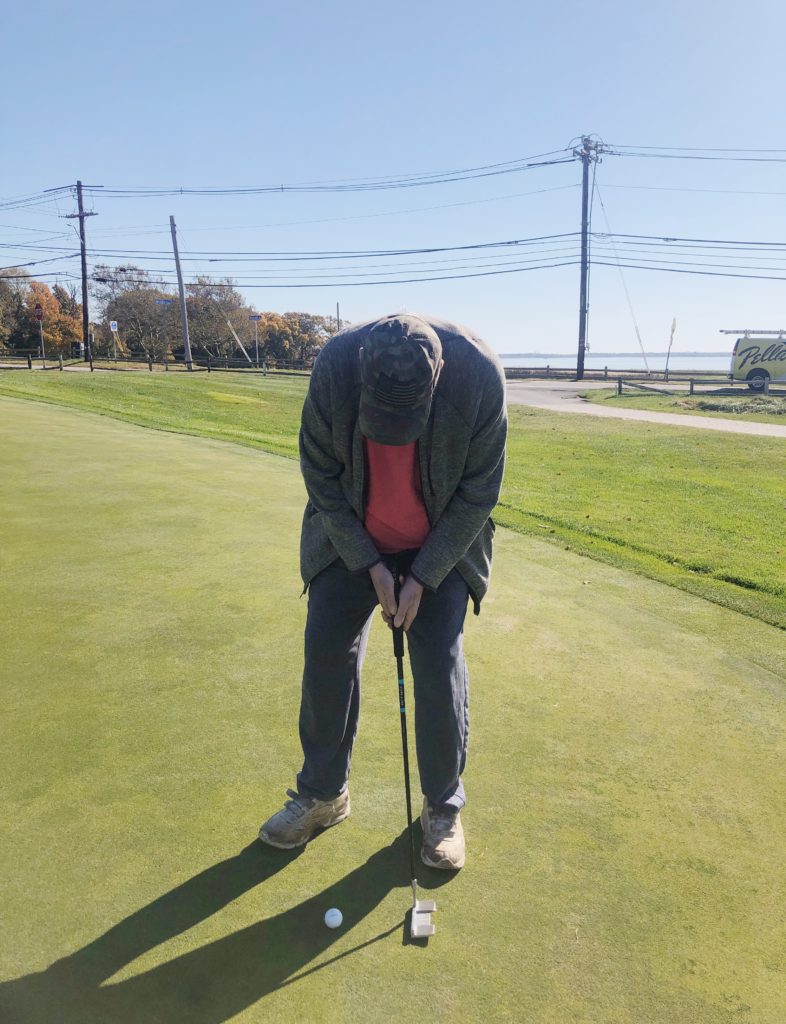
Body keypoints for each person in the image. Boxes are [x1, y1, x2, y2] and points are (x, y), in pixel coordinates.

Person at [259, 313, 507, 869]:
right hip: (347, 532)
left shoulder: (478, 375)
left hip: (443, 540)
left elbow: (479, 492)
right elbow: (320, 470)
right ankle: (323, 795)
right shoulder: (335, 364)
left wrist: (422, 575)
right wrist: (368, 561)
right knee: (326, 654)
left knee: (439, 665)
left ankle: (442, 807)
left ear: (438, 378)